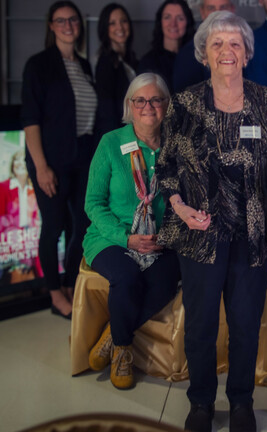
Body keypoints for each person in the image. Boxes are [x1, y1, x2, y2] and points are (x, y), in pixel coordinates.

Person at [156, 11, 267, 432]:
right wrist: (178, 205)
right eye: (217, 44)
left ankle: (241, 402)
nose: (227, 51)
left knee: (245, 324)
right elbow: (165, 166)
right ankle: (201, 403)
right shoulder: (184, 103)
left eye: (235, 44)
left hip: (253, 234)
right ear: (204, 54)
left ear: (246, 53)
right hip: (200, 234)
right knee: (202, 325)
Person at [81, 73, 179, 390]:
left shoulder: (176, 147)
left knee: (168, 279)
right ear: (130, 106)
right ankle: (123, 352)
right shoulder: (111, 143)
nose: (148, 106)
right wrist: (126, 238)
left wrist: (161, 238)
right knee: (127, 276)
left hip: (158, 240)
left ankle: (112, 335)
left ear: (166, 105)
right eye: (140, 100)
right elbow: (93, 204)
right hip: (111, 237)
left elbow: (184, 200)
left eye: (156, 99)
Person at [21, 0, 97, 319]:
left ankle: (70, 284)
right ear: (51, 26)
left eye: (73, 20)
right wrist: (40, 166)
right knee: (53, 227)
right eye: (61, 20)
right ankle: (55, 294)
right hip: (50, 161)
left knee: (81, 224)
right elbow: (31, 119)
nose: (68, 25)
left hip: (81, 160)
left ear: (79, 26)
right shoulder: (38, 64)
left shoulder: (84, 65)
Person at [172, 0, 235, 92]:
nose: (217, 14)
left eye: (223, 7)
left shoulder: (246, 47)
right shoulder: (189, 53)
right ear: (202, 12)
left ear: (232, 9)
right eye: (211, 8)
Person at [94, 3, 138, 135]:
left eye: (123, 21)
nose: (119, 27)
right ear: (105, 28)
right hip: (117, 136)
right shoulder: (106, 62)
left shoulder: (132, 60)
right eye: (112, 23)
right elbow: (106, 109)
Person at [0, 149, 42, 281]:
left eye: (22, 159)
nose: (19, 163)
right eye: (16, 160)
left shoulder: (35, 187)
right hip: (9, 238)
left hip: (31, 237)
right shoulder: (3, 187)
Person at [137, 0, 195, 92]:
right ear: (160, 22)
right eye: (167, 17)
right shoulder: (148, 62)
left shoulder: (198, 60)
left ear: (187, 23)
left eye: (180, 18)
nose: (173, 24)